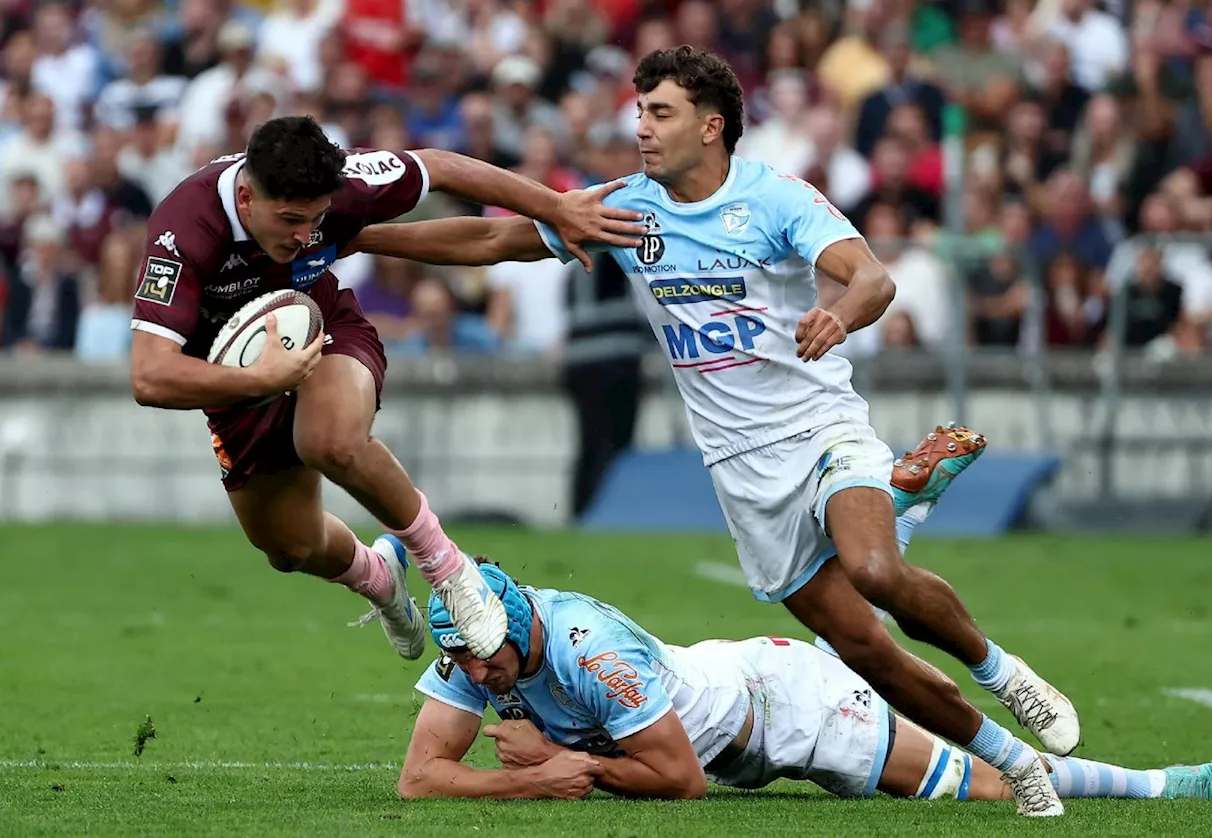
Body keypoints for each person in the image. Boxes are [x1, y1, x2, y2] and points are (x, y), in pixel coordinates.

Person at [352, 47, 1075, 815]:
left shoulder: (775, 198)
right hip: (741, 473)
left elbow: (873, 276)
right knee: (866, 650)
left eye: (659, 112)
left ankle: (1003, 672)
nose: (641, 128)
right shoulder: (629, 208)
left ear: (711, 126)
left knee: (872, 569)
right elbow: (497, 240)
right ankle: (1014, 761)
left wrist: (840, 312)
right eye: (639, 112)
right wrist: (361, 238)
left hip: (820, 427)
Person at [129, 115, 646, 663]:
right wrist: (257, 380)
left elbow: (442, 167)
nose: (305, 235)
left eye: (316, 219)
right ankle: (380, 578)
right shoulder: (183, 230)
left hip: (323, 327)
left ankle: (451, 573)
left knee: (331, 441)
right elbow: (149, 375)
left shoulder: (348, 181)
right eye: (289, 219)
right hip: (237, 377)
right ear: (245, 195)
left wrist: (557, 207)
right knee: (290, 547)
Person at [397, 556, 1212, 805]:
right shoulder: (477, 635)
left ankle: (1170, 785)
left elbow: (681, 781)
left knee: (985, 789)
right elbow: (419, 778)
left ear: (519, 620)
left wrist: (557, 769)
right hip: (733, 702)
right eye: (465, 657)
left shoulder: (592, 651)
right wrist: (526, 779)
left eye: (485, 654)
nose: (477, 671)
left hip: (784, 706)